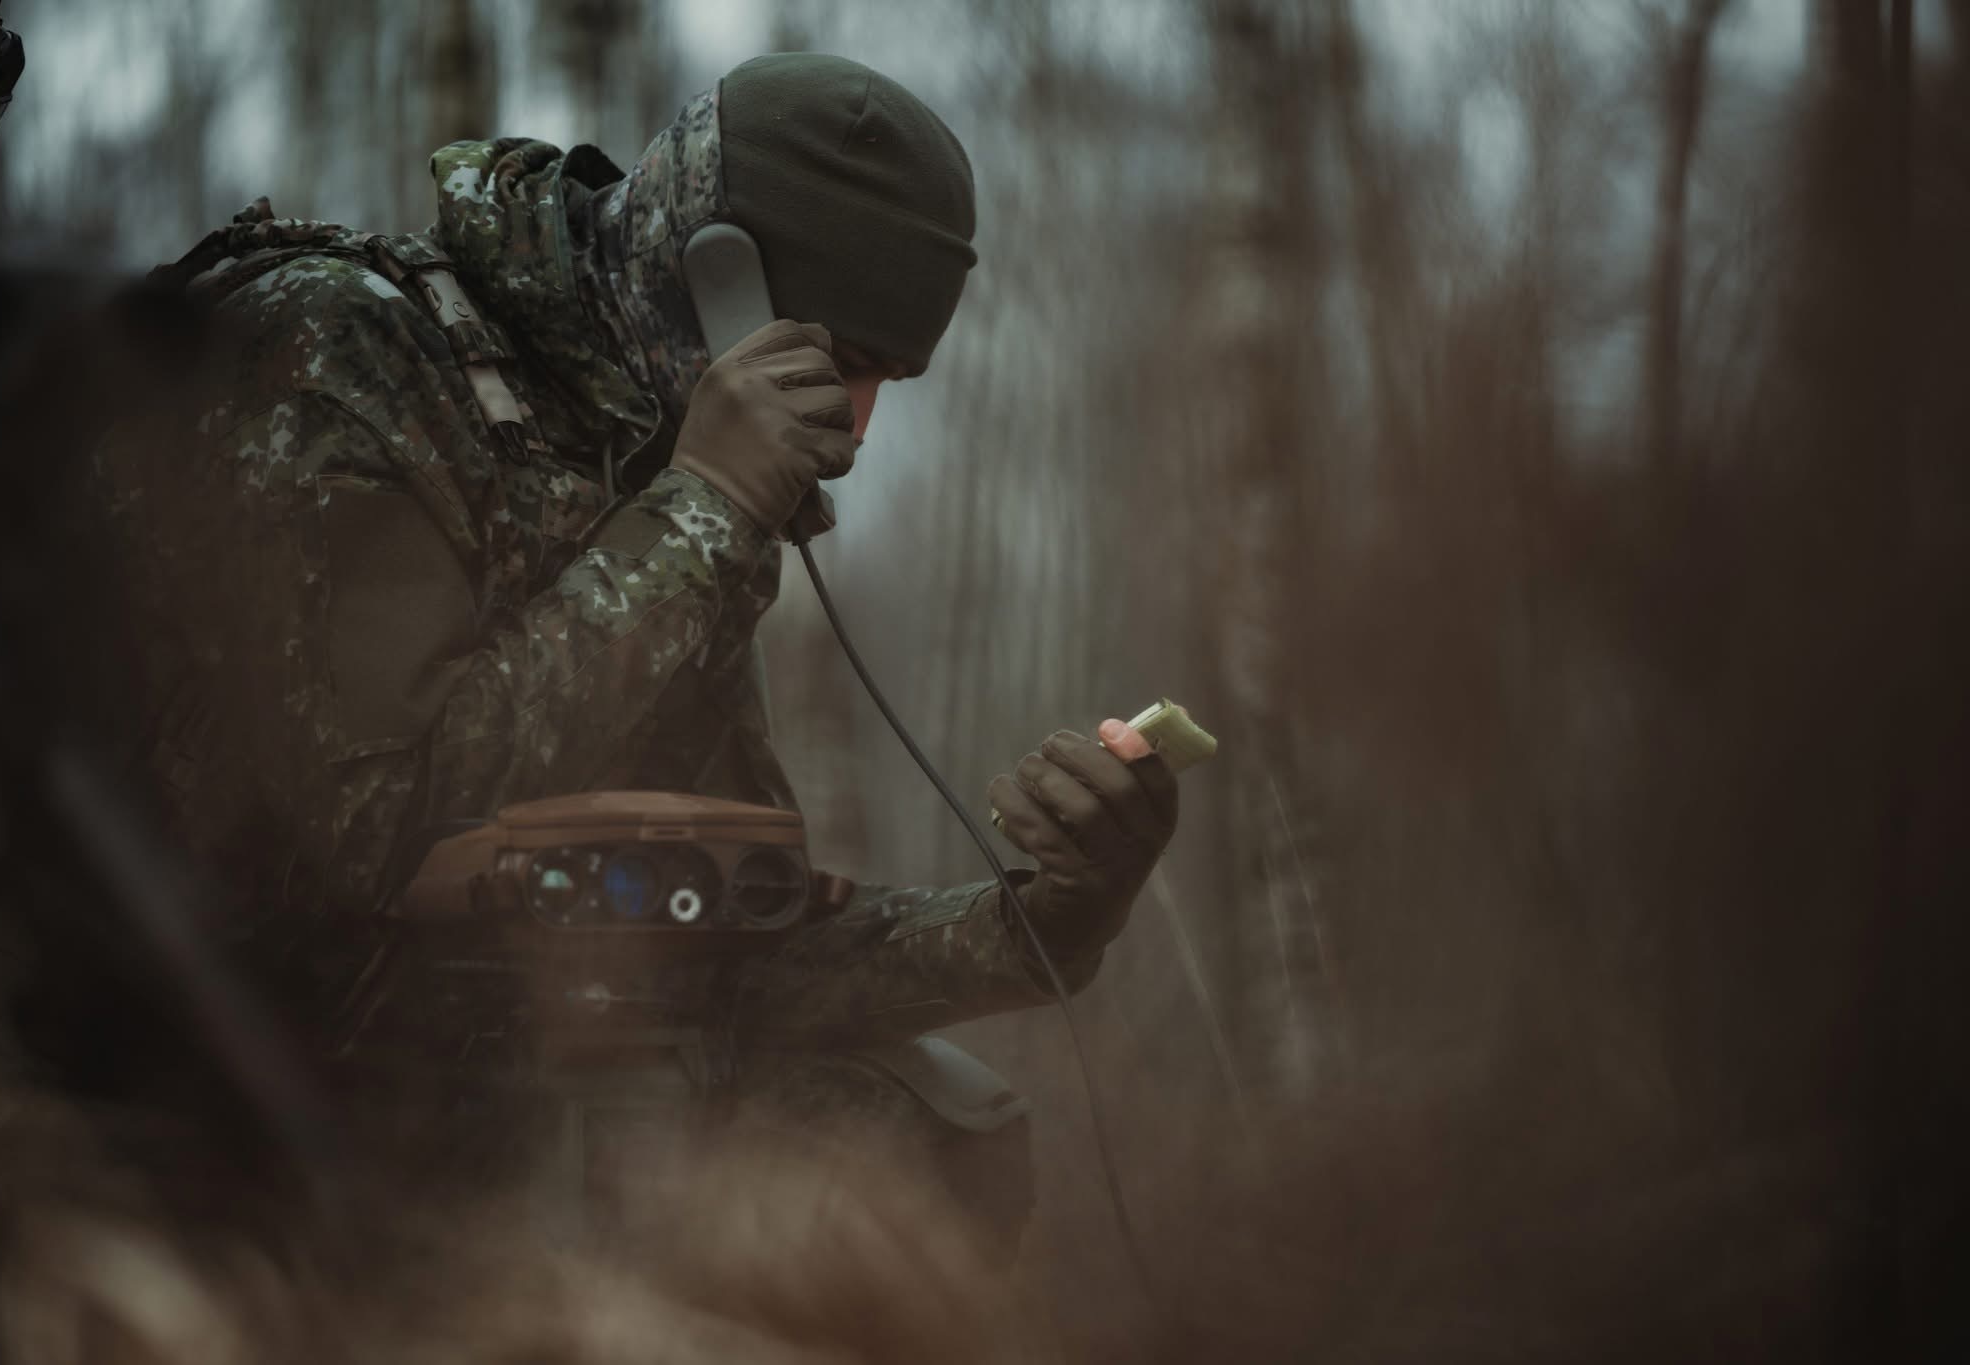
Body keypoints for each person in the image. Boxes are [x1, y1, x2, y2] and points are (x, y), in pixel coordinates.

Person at [102, 52, 1179, 1256]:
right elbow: (362, 844)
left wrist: (1049, 916)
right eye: (849, 362)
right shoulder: (339, 346)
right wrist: (709, 509)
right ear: (718, 279)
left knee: (915, 1122)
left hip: (484, 1085)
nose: (860, 430)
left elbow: (719, 950)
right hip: (186, 1078)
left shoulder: (663, 459)